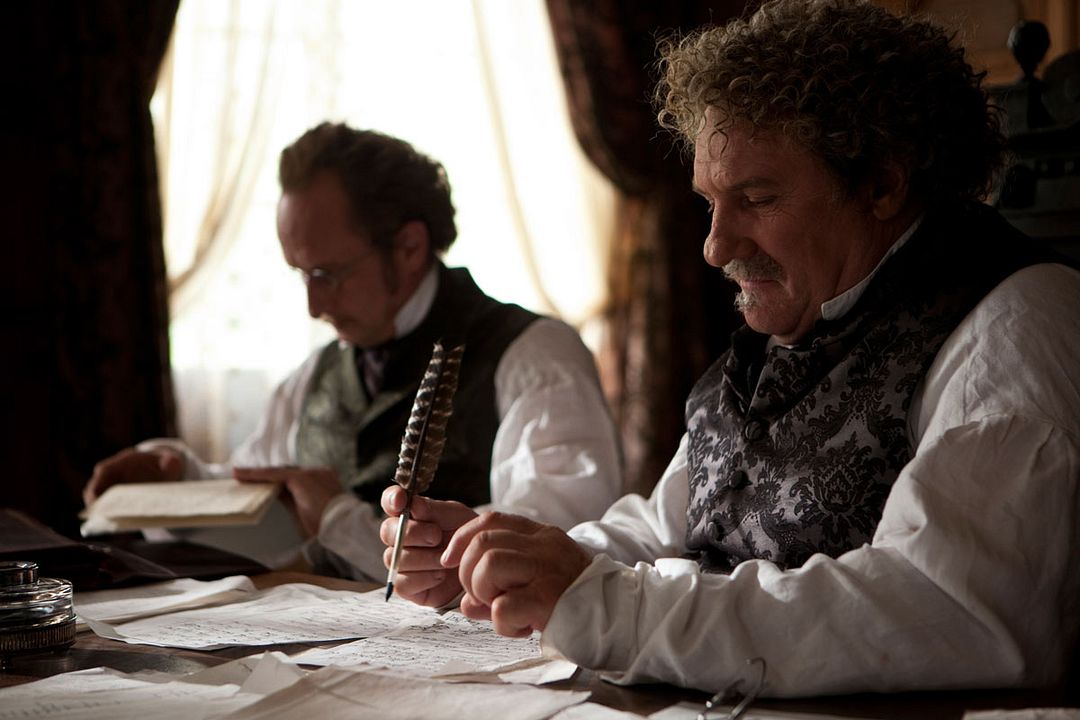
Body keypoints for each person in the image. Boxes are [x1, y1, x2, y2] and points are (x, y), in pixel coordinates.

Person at [379, 0, 1080, 697]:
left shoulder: (1015, 326)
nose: (716, 245)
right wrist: (511, 558)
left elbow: (944, 609)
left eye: (756, 198)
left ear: (882, 184)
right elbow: (667, 531)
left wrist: (604, 604)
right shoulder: (784, 333)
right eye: (711, 203)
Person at [85, 123, 622, 582]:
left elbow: (550, 547)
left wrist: (342, 523)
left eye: (327, 275)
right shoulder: (315, 375)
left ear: (410, 248)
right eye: (301, 275)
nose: (314, 306)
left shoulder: (535, 357)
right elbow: (255, 492)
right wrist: (177, 478)